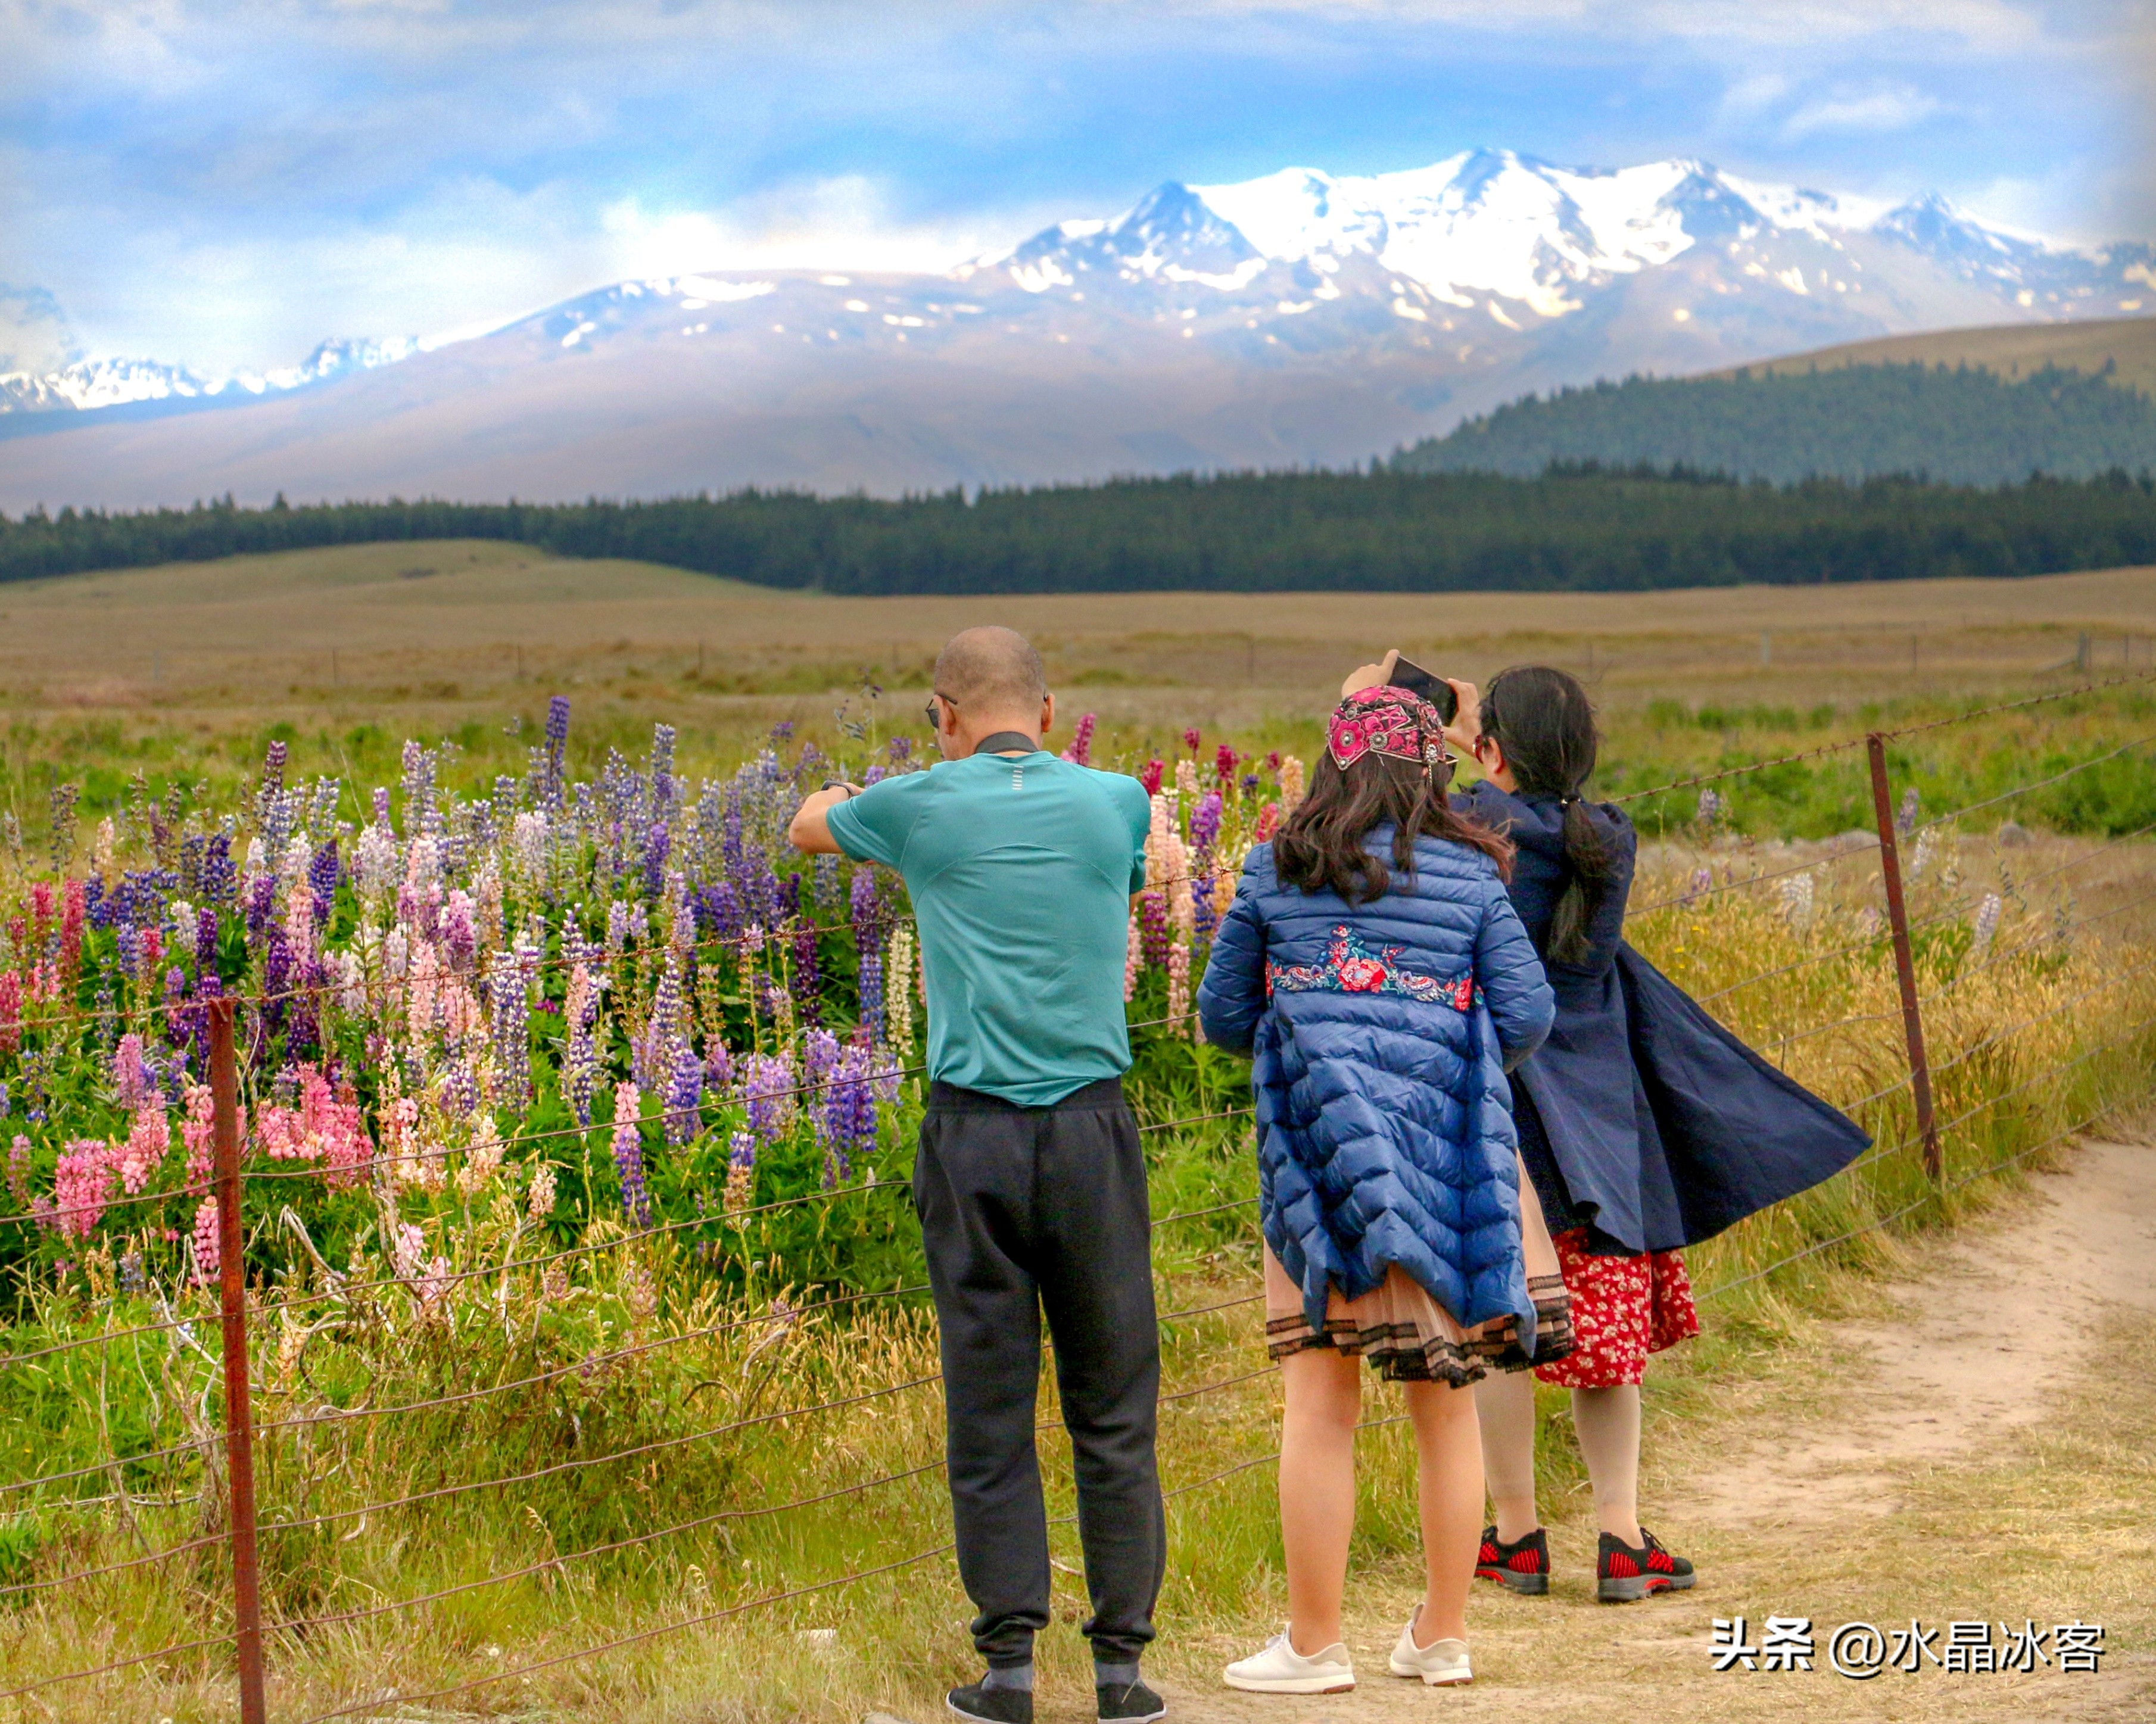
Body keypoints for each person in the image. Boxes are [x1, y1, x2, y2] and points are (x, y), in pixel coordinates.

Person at [789, 627, 1167, 1724]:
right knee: (1114, 1407)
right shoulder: (1118, 801)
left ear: (944, 717)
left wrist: (858, 791)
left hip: (974, 1136)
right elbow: (1126, 877)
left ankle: (1007, 1673)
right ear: (1047, 712)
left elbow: (807, 823)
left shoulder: (919, 804)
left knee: (990, 1409)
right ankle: (1121, 1673)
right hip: (1092, 1130)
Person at [1442, 663, 1871, 1603]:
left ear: (1494, 754)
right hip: (1602, 1131)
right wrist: (1491, 747)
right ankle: (1621, 1535)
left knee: (1502, 1324)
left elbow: (1454, 812)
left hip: (1505, 1123)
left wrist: (1457, 738)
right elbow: (1533, 809)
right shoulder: (1608, 839)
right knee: (1607, 1345)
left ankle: (1514, 1535)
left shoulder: (1477, 829)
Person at [1196, 670, 1558, 1695]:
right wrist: (1445, 1053)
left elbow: (1222, 1018)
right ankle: (1442, 1637)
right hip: (1446, 1165)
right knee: (1448, 1402)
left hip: (1316, 1165)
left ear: (1331, 765)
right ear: (1433, 774)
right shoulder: (1473, 875)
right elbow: (1530, 1016)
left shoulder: (1276, 869)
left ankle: (1315, 1646)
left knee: (1321, 1403)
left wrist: (1310, 1029)